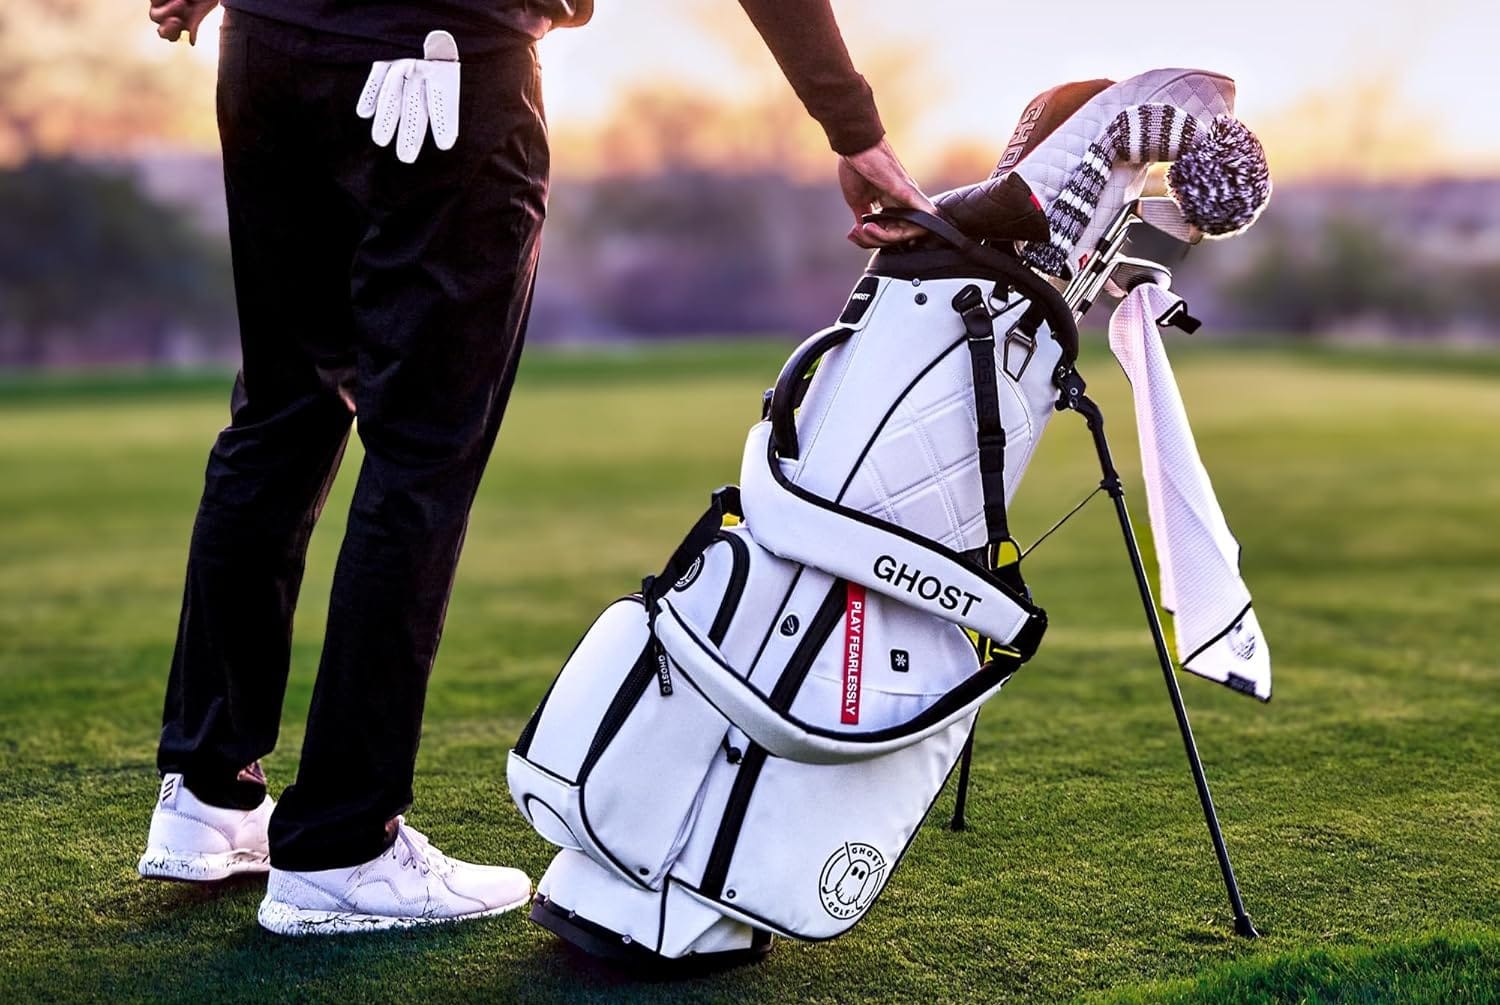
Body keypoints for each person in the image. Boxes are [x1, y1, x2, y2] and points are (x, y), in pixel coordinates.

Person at [138, 0, 937, 936]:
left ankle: (208, 796)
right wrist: (854, 128)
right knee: (420, 455)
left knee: (280, 413)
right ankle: (342, 846)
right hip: (445, 66)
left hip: (269, 46)